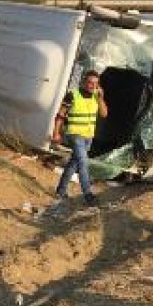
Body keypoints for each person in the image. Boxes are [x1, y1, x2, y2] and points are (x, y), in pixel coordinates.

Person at [51, 71, 108, 207]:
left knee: (74, 163)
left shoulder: (96, 96)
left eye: (95, 83)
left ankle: (60, 191)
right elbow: (60, 115)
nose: (92, 86)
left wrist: (101, 98)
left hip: (88, 136)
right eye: (90, 82)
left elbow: (104, 114)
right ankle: (88, 195)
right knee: (83, 162)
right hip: (74, 134)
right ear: (83, 82)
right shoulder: (72, 95)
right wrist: (56, 133)